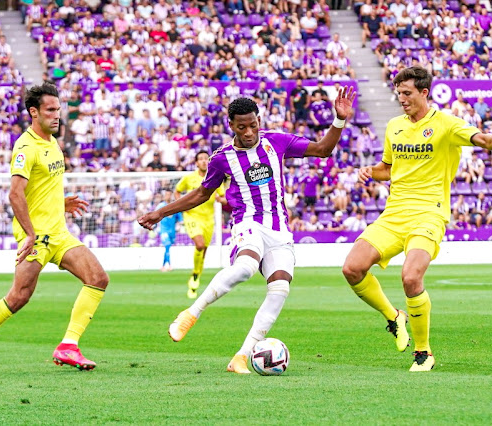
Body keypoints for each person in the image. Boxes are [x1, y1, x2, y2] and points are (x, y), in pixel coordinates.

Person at [139, 89, 355, 373]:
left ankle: (241, 356)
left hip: (279, 231)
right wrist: (160, 212)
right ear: (231, 125)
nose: (250, 131)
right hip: (247, 224)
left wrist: (338, 121)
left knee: (280, 289)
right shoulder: (221, 158)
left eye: (253, 124)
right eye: (243, 127)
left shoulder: (276, 142)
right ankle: (191, 314)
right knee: (246, 267)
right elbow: (201, 194)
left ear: (259, 120)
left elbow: (323, 150)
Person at [341, 66, 492, 372]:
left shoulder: (446, 122)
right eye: (398, 93)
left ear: (423, 93)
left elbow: (476, 136)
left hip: (429, 213)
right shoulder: (394, 126)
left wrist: (491, 141)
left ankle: (423, 352)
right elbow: (389, 167)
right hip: (394, 213)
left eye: (407, 93)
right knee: (352, 269)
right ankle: (394, 317)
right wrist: (370, 171)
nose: (401, 99)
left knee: (410, 277)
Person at [0, 83, 110, 375]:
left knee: (98, 278)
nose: (56, 116)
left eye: (58, 110)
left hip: (59, 233)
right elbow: (15, 193)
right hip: (36, 236)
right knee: (18, 297)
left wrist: (60, 203)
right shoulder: (25, 147)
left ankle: (68, 346)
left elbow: (39, 190)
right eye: (50, 110)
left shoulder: (52, 142)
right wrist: (29, 233)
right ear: (34, 112)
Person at [174, 150, 226, 298]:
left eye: (206, 159)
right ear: (196, 163)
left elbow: (223, 197)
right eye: (201, 159)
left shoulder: (215, 177)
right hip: (192, 217)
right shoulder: (188, 178)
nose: (204, 161)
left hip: (208, 219)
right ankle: (196, 275)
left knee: (203, 251)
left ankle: (196, 275)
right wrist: (182, 206)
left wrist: (221, 200)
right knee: (199, 244)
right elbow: (177, 191)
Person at [157, 190, 182, 272]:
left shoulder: (175, 206)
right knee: (167, 246)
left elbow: (180, 219)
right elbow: (155, 215)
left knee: (168, 248)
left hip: (172, 231)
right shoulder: (161, 206)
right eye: (166, 195)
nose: (168, 196)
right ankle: (169, 265)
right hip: (163, 230)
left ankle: (163, 266)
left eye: (169, 195)